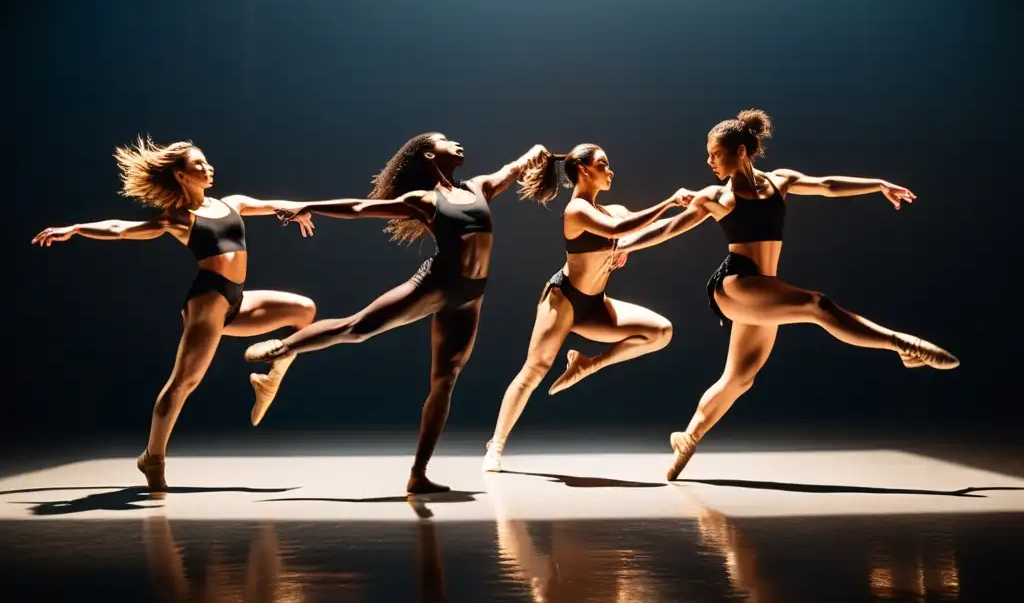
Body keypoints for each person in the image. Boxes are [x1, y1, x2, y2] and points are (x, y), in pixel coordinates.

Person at [614, 110, 959, 481]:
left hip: (765, 290)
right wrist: (627, 245)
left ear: (741, 150)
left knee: (740, 379)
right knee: (817, 305)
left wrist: (877, 184)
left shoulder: (780, 181)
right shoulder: (716, 196)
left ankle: (688, 437)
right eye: (708, 154)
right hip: (735, 284)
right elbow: (670, 229)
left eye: (715, 153)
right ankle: (905, 345)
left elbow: (827, 185)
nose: (709, 161)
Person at [243, 133, 550, 494]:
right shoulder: (423, 199)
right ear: (428, 153)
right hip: (433, 285)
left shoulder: (479, 187)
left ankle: (418, 475)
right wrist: (308, 205)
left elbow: (511, 170)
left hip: (469, 298)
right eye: (445, 140)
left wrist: (532, 155)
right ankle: (282, 349)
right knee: (357, 327)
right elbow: (359, 208)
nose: (456, 142)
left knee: (444, 382)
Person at [31, 136, 319, 492]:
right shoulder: (178, 218)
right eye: (198, 164)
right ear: (181, 176)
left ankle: (270, 378)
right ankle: (153, 457)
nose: (207, 167)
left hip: (237, 299)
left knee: (305, 311)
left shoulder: (233, 203)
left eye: (207, 161)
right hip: (208, 298)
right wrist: (75, 229)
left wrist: (300, 209)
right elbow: (121, 229)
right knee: (184, 383)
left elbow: (273, 204)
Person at [481, 144, 692, 472]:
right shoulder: (576, 211)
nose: (611, 171)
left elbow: (648, 231)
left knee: (661, 331)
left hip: (595, 305)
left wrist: (695, 212)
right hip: (563, 299)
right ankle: (495, 446)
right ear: (583, 170)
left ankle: (587, 365)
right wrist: (668, 201)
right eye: (603, 165)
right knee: (535, 369)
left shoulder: (615, 210)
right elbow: (617, 232)